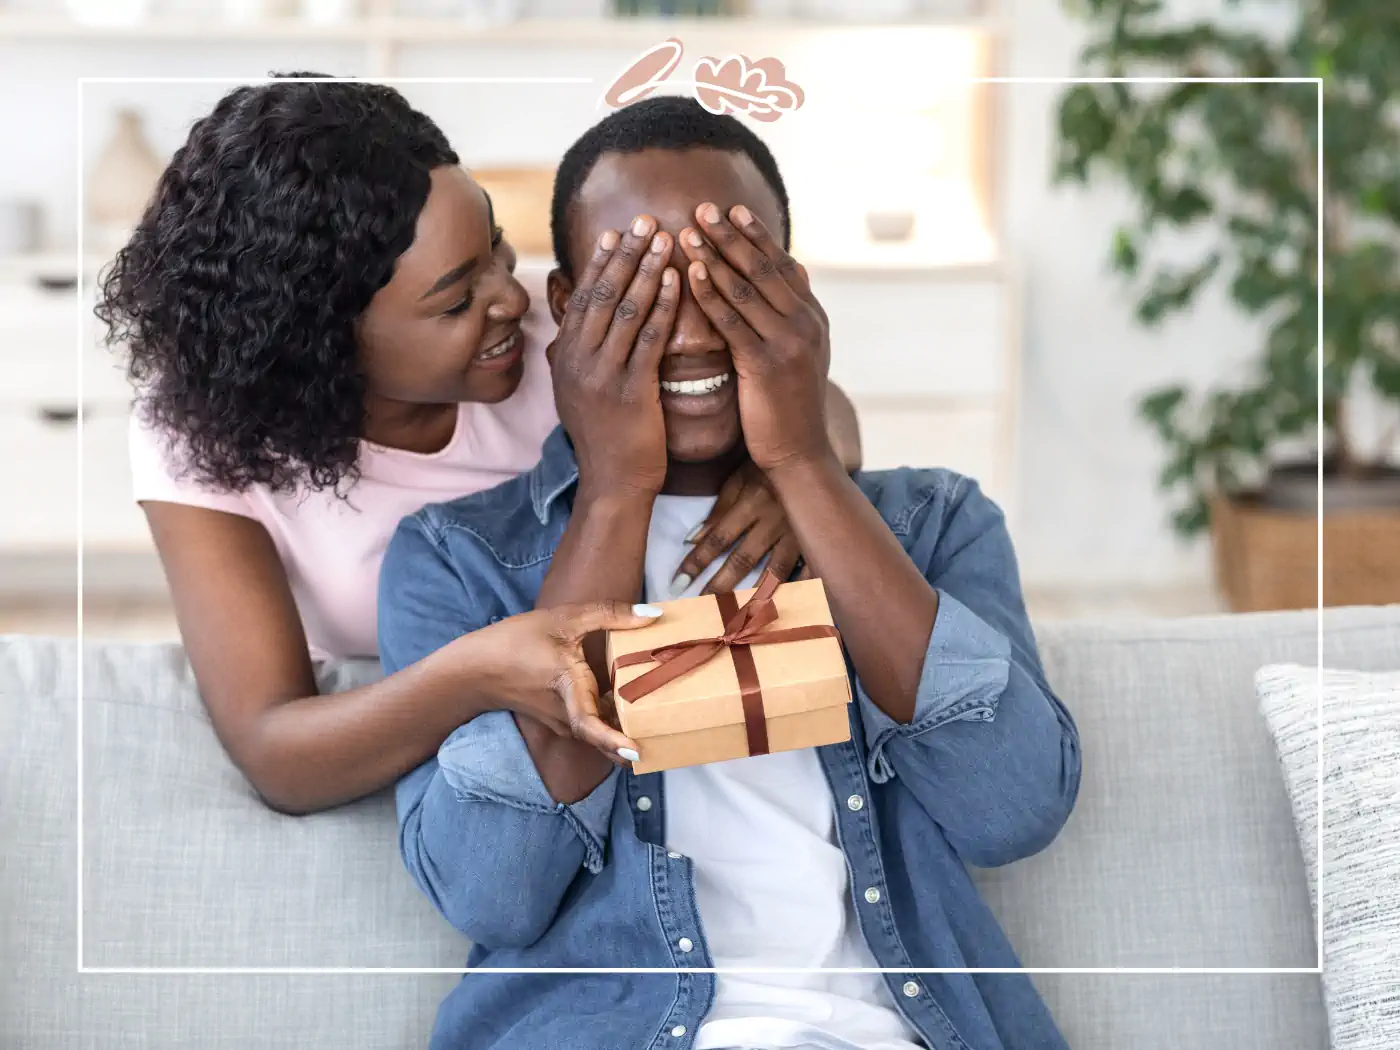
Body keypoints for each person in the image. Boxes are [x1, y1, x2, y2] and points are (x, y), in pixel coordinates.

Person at [380, 96, 1082, 1050]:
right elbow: (495, 890)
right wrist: (619, 485)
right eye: (639, 290)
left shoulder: (933, 523)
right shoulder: (456, 562)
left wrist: (802, 461)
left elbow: (1012, 808)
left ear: (793, 289)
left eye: (729, 280)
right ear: (566, 307)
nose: (691, 331)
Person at [97, 77, 861, 815]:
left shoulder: (562, 331)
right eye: (458, 299)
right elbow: (277, 753)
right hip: (426, 735)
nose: (511, 298)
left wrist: (787, 468)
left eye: (497, 249)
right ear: (322, 342)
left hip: (635, 714)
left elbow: (816, 401)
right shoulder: (196, 436)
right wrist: (476, 673)